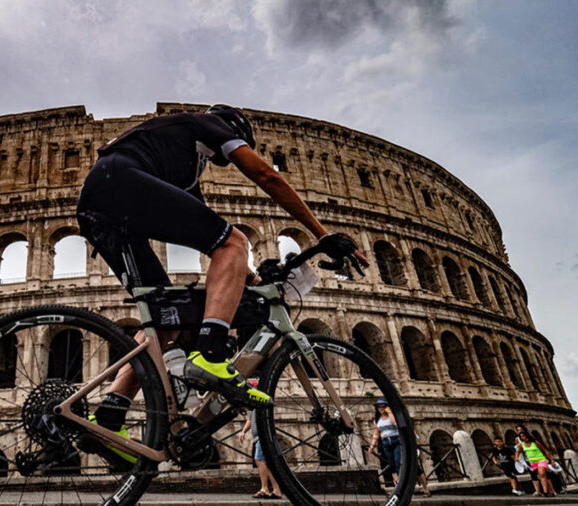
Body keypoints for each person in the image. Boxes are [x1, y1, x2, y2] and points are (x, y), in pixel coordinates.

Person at [76, 105, 369, 463]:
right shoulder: (208, 123)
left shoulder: (182, 166)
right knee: (235, 240)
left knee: (165, 318)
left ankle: (109, 415)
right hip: (118, 184)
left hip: (98, 210)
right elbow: (268, 177)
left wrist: (250, 277)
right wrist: (322, 235)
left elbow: (203, 228)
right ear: (234, 129)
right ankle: (211, 353)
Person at [239, 381, 282, 500]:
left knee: (258, 459)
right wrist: (243, 431)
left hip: (263, 436)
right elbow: (250, 419)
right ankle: (276, 490)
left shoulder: (261, 401)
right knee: (266, 464)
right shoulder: (253, 404)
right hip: (258, 436)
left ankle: (265, 488)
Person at [368, 398, 402, 484]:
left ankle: (402, 481)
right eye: (378, 406)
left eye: (383, 406)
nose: (381, 408)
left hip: (396, 440)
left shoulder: (392, 416)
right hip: (386, 442)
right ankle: (397, 483)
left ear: (387, 406)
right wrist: (372, 446)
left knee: (398, 461)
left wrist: (390, 412)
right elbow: (376, 434)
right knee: (392, 464)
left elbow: (395, 424)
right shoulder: (377, 420)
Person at [515, 431, 556, 497]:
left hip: (541, 460)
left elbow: (545, 450)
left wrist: (552, 460)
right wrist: (516, 457)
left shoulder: (535, 443)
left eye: (524, 436)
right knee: (541, 476)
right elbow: (517, 451)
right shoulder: (521, 445)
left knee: (542, 474)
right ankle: (550, 490)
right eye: (521, 437)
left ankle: (545, 492)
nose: (523, 438)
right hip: (532, 462)